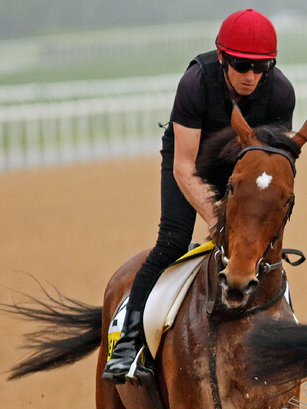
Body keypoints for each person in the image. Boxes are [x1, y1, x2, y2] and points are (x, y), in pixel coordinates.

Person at [102, 9, 296, 383]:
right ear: (222, 58)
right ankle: (127, 343)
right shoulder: (195, 82)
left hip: (244, 162)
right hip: (190, 159)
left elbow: (271, 164)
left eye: (261, 67)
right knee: (172, 241)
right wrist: (214, 219)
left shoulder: (281, 92)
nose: (251, 77)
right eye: (241, 65)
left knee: (260, 246)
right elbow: (184, 167)